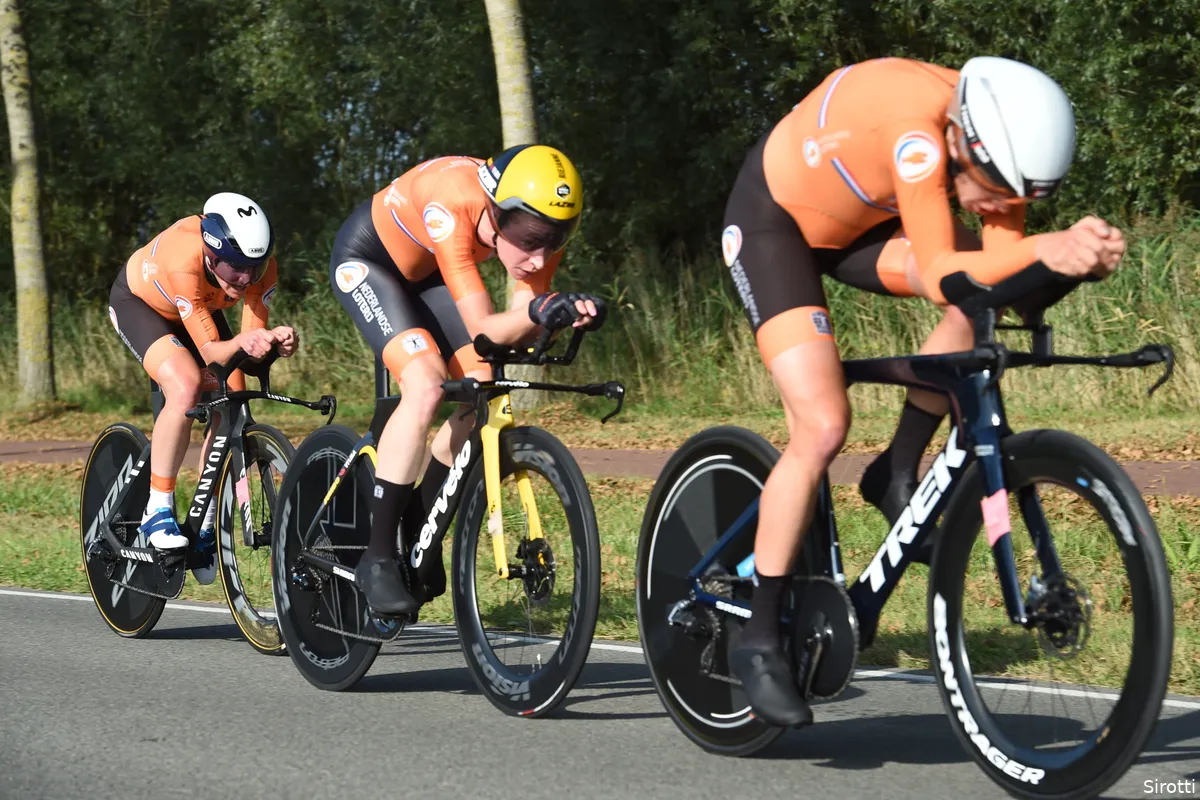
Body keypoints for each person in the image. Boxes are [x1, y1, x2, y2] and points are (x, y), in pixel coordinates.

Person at [719, 56, 1126, 726]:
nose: (999, 206)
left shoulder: (990, 143)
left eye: (1018, 198)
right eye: (994, 188)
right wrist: (1046, 249)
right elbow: (940, 273)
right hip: (775, 223)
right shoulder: (914, 131)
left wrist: (1074, 264)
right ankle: (759, 638)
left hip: (863, 224)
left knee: (981, 298)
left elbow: (997, 276)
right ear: (964, 143)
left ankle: (895, 471)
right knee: (822, 425)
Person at [329, 145, 605, 616]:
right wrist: (539, 310)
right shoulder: (451, 205)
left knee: (483, 390)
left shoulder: (537, 227)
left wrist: (560, 313)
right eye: (530, 240)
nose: (539, 259)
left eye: (555, 241)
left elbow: (520, 323)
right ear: (497, 212)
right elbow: (485, 331)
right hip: (370, 262)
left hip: (430, 271)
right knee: (425, 384)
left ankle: (420, 525)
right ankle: (377, 557)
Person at [108, 192, 298, 584]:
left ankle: (205, 521)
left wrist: (272, 343)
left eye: (256, 267)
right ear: (211, 255)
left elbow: (247, 349)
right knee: (186, 385)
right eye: (235, 268)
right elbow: (212, 351)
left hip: (196, 311)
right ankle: (157, 509)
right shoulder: (184, 259)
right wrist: (246, 344)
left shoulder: (259, 271)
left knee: (233, 398)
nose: (246, 279)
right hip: (140, 305)